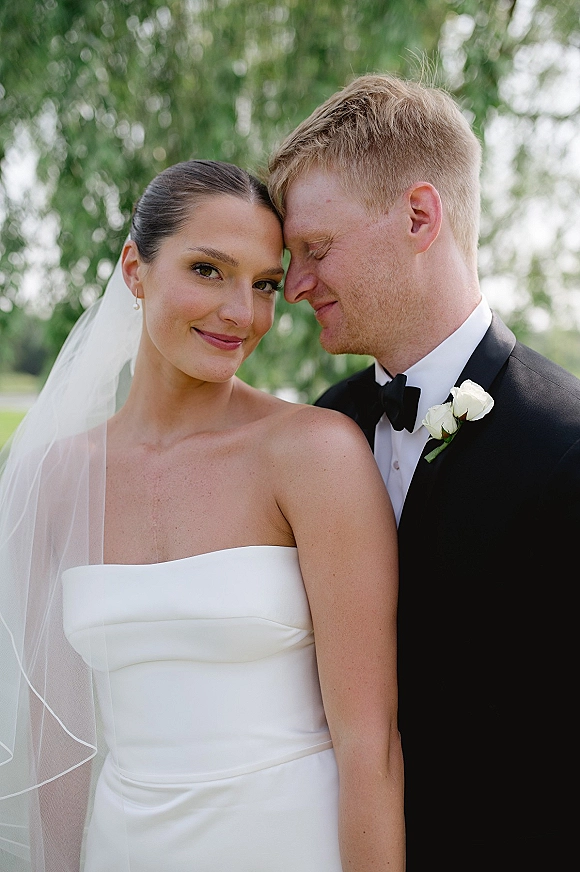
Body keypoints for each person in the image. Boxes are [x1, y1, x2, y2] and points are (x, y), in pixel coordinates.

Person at [0, 160, 405, 872]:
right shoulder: (55, 478)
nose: (241, 314)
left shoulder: (314, 454)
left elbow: (370, 747)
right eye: (208, 270)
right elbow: (57, 748)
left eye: (264, 285)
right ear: (135, 268)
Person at [268, 74, 580, 870]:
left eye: (317, 250)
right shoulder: (320, 428)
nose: (296, 287)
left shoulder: (567, 445)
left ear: (418, 216)